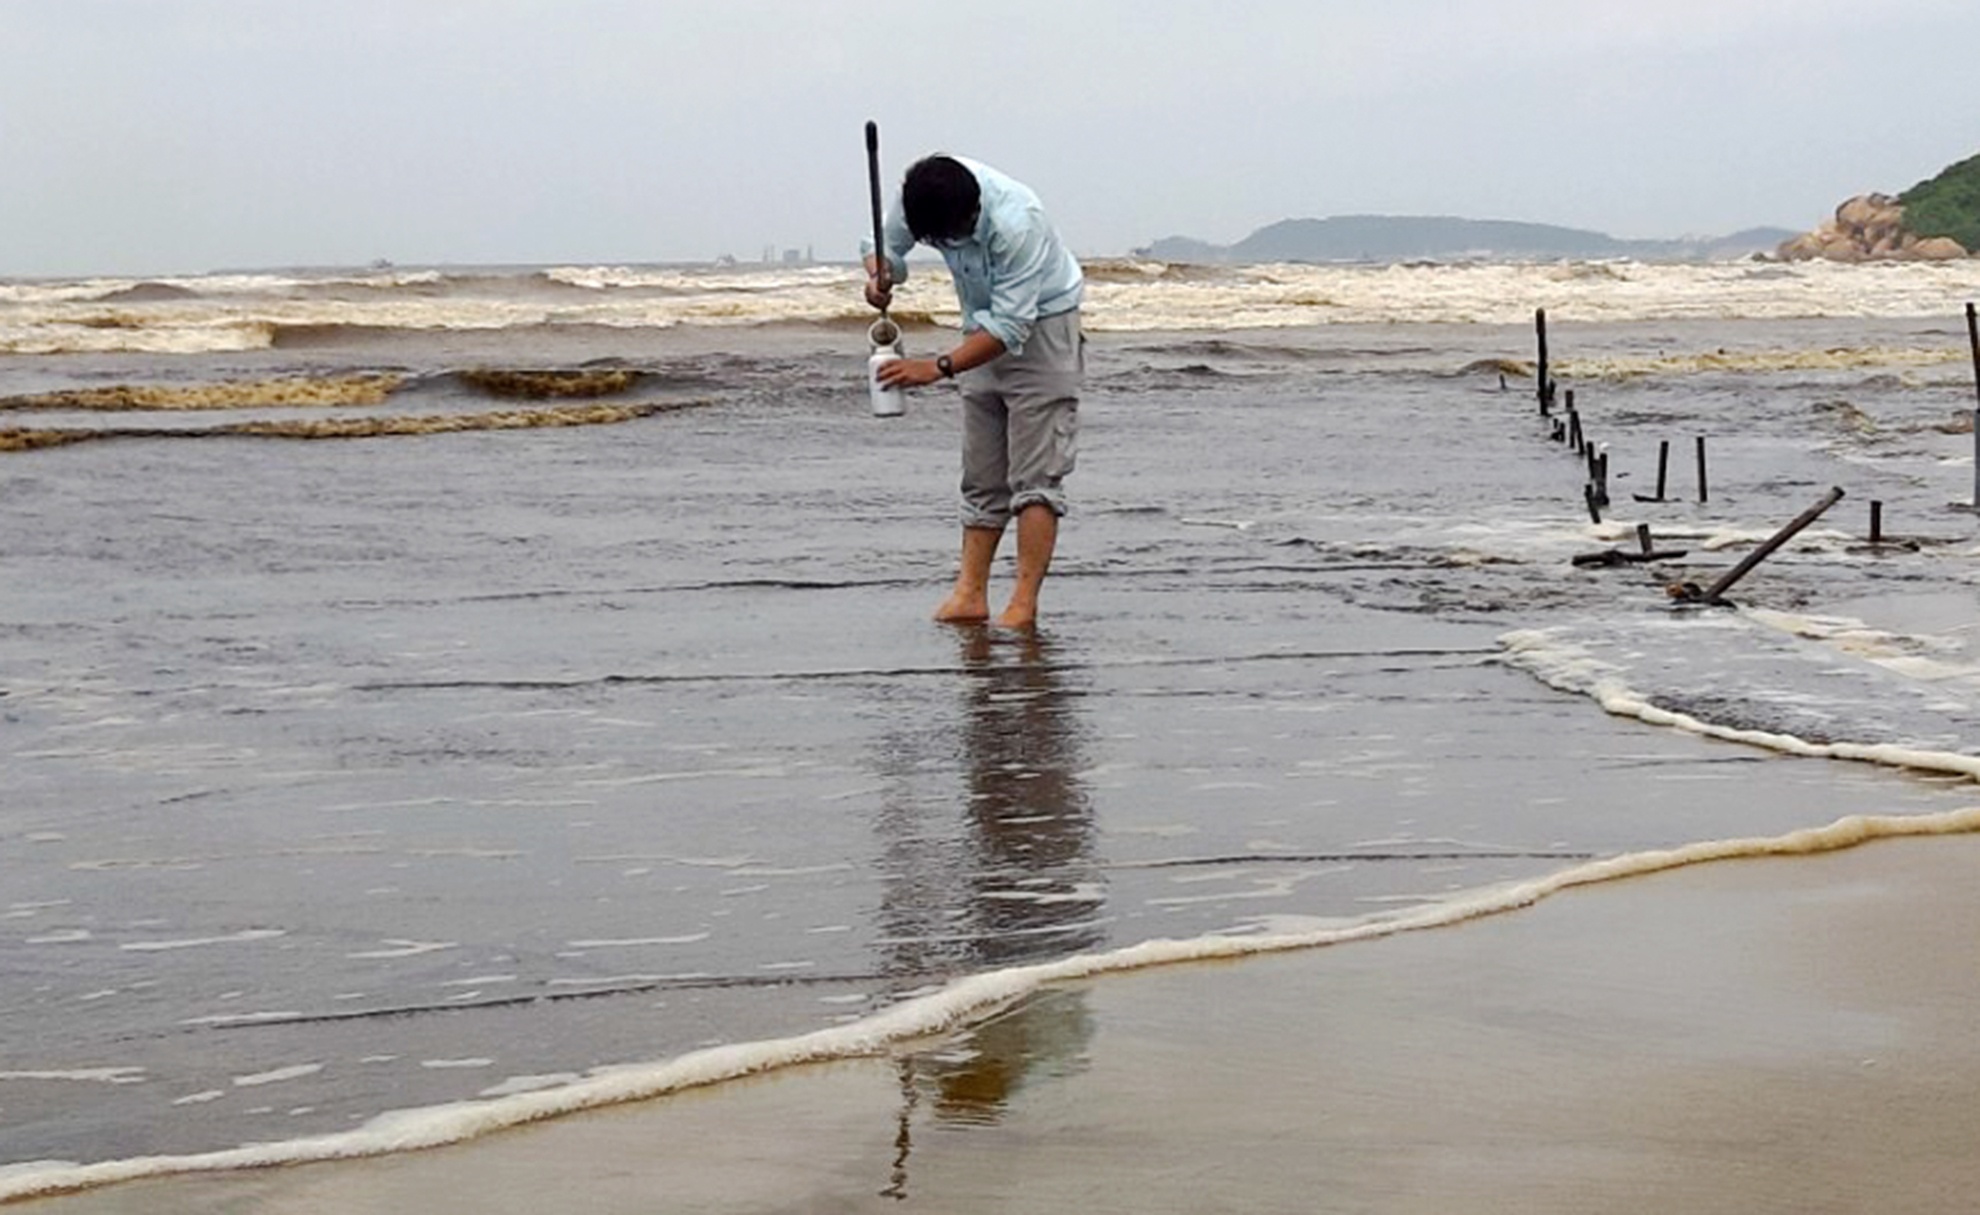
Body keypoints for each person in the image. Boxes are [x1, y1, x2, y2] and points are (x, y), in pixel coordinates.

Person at [863, 154, 1084, 631]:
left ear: (972, 214)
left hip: (1042, 330)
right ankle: (969, 594)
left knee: (1036, 477)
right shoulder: (919, 194)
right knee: (982, 473)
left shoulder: (1017, 222)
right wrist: (880, 272)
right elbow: (882, 246)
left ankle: (1022, 604)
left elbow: (1011, 326)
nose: (947, 248)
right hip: (979, 327)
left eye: (952, 239)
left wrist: (936, 367)